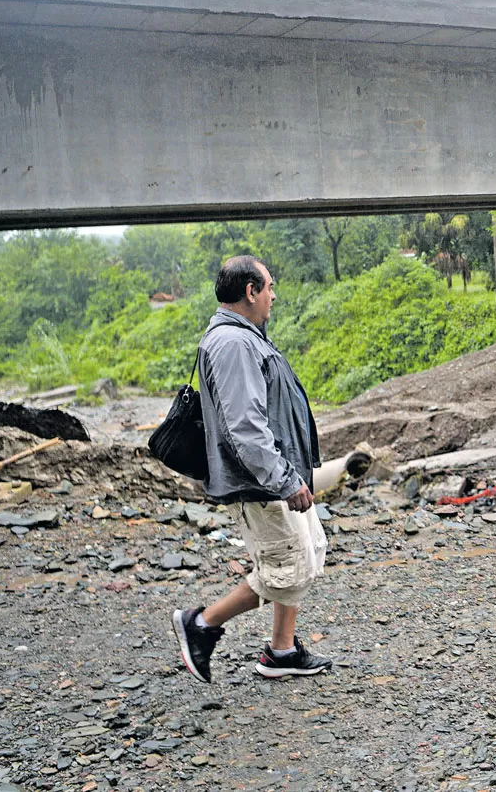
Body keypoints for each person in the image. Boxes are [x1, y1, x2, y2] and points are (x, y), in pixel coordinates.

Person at [171, 256, 330, 683]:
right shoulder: (233, 344)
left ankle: (281, 651)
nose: (274, 295)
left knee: (307, 552)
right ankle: (201, 623)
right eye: (270, 287)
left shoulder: (245, 336)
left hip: (278, 473)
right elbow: (245, 427)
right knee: (288, 565)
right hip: (260, 480)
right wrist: (282, 479)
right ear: (250, 291)